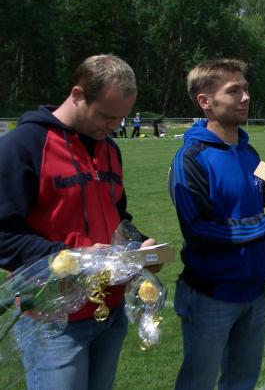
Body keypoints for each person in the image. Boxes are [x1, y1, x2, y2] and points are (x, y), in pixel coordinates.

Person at [0, 54, 158, 390]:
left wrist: (138, 246)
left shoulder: (110, 149)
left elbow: (118, 217)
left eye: (121, 118)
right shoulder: (23, 146)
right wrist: (77, 259)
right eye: (106, 116)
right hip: (53, 319)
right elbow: (4, 234)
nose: (115, 126)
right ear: (77, 95)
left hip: (110, 312)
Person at [168, 59, 265, 390]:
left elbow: (254, 210)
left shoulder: (250, 154)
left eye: (245, 89)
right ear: (205, 101)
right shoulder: (191, 158)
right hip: (210, 295)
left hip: (254, 293)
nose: (245, 97)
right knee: (198, 384)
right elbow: (200, 231)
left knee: (243, 382)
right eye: (234, 91)